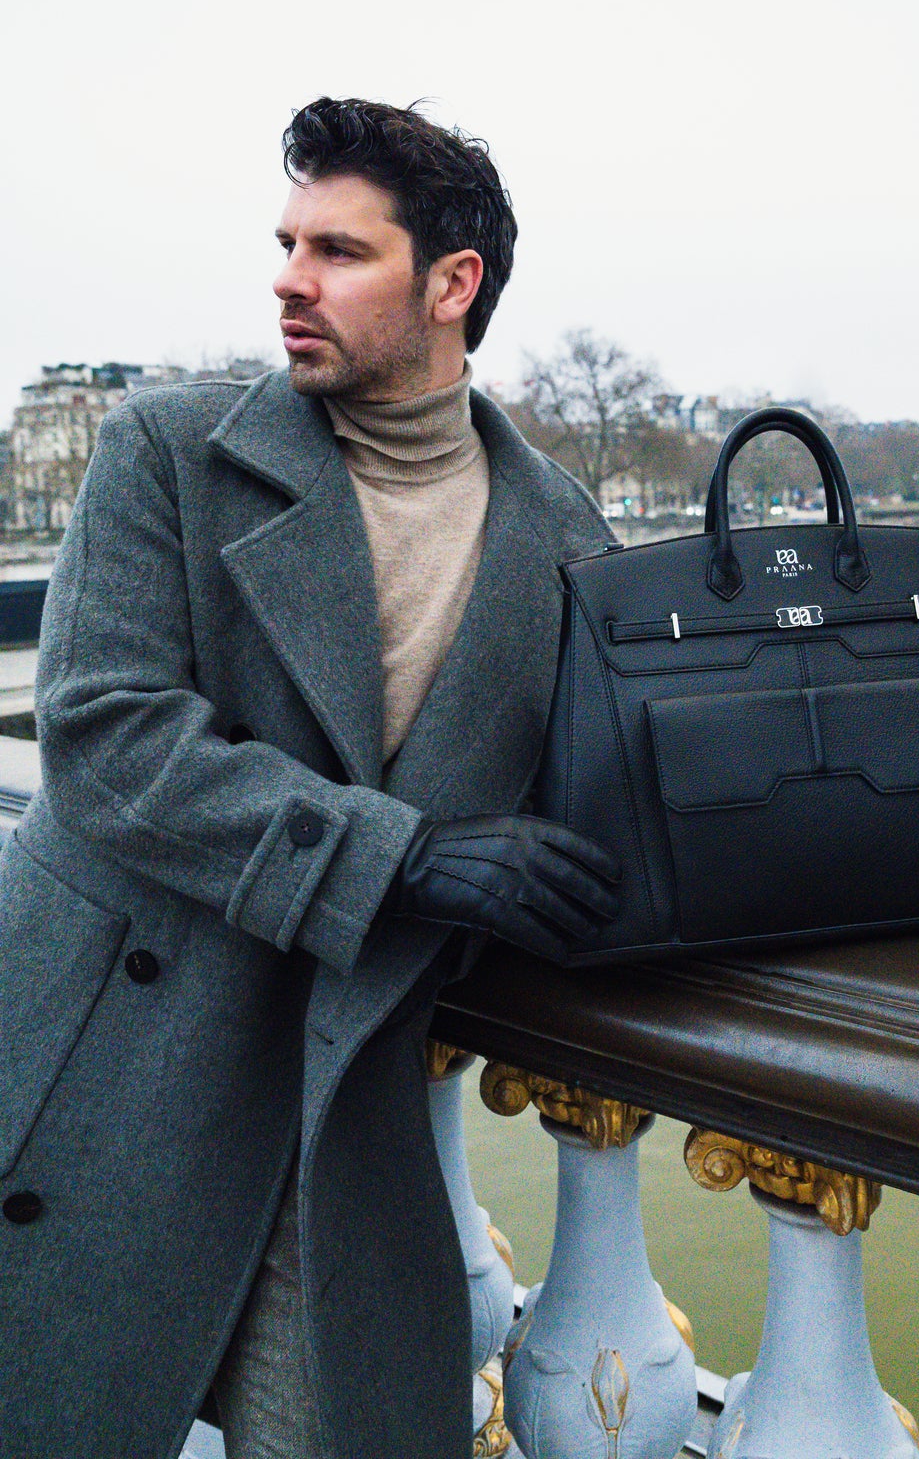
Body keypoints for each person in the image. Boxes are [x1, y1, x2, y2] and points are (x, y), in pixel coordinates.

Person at [0, 98, 621, 1459]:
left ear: (452, 285)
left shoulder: (566, 536)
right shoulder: (169, 449)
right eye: (287, 244)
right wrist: (400, 858)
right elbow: (103, 735)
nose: (290, 278)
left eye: (339, 251)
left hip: (334, 1103)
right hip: (107, 1066)